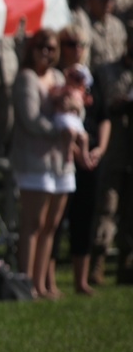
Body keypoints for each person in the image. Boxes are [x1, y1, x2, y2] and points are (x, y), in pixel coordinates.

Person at [11, 29, 76, 299]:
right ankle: (26, 283)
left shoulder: (59, 76)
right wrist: (59, 130)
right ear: (31, 49)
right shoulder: (26, 78)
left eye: (51, 48)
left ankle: (42, 283)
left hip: (59, 161)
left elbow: (76, 105)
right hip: (34, 160)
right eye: (41, 47)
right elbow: (30, 119)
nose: (46, 53)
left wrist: (74, 106)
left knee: (51, 225)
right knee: (33, 224)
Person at [53, 26, 109, 295]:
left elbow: (104, 114)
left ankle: (81, 279)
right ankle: (48, 280)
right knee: (57, 218)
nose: (76, 48)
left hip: (91, 157)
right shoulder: (58, 79)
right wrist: (78, 152)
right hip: (66, 155)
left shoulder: (91, 77)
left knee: (85, 216)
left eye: (80, 44)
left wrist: (100, 148)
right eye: (70, 43)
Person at [89, 31, 133, 285]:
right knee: (107, 206)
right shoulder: (106, 71)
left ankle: (126, 263)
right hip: (114, 151)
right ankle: (98, 261)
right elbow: (99, 106)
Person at [87, 0, 128, 68]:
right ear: (91, 0)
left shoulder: (117, 25)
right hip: (96, 76)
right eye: (103, 0)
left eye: (110, 0)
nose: (107, 4)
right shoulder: (84, 23)